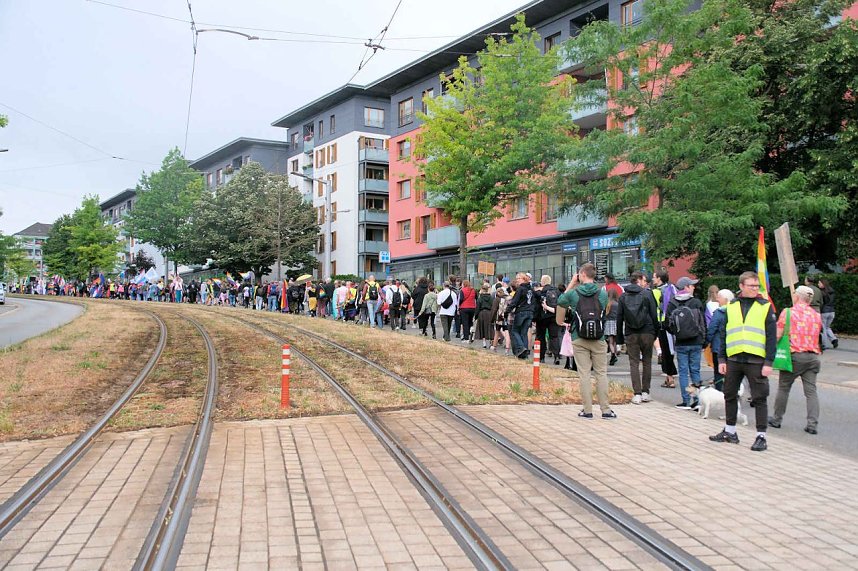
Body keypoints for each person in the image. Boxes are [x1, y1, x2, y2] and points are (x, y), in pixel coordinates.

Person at [710, 271, 778, 451]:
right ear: (741, 286)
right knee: (729, 394)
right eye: (751, 286)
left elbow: (771, 337)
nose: (755, 289)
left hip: (756, 360)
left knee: (759, 398)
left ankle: (761, 436)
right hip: (734, 359)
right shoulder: (731, 306)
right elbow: (724, 333)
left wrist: (769, 362)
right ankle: (730, 431)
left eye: (757, 286)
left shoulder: (765, 306)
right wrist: (722, 358)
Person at [558, 263, 616, 419]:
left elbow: (560, 302)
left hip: (579, 337)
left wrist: (571, 283)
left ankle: (588, 410)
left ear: (582, 274)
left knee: (584, 374)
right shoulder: (602, 294)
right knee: (601, 373)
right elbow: (606, 311)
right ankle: (606, 410)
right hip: (599, 338)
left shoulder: (574, 294)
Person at [768, 285, 823, 435]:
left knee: (784, 387)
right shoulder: (816, 315)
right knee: (811, 391)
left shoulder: (788, 313)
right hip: (812, 356)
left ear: (797, 296)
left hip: (794, 356)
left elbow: (778, 334)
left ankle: (777, 419)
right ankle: (812, 424)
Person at [616, 271, 659, 404]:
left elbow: (619, 318)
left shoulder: (623, 297)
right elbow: (654, 315)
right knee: (647, 362)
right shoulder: (647, 294)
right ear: (639, 280)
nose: (645, 282)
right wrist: (655, 333)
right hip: (647, 332)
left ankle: (637, 393)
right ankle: (646, 392)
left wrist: (619, 338)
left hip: (631, 333)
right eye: (644, 280)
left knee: (633, 363)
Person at [665, 277, 706, 410]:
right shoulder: (696, 302)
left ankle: (686, 401)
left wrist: (677, 333)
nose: (694, 287)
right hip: (696, 342)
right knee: (695, 371)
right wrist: (703, 340)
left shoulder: (672, 303)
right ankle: (698, 400)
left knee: (683, 372)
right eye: (691, 285)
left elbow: (667, 324)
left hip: (681, 342)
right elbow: (703, 323)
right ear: (686, 287)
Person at [704, 289, 734, 391]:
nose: (717, 299)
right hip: (733, 347)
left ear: (725, 299)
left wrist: (706, 342)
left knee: (719, 372)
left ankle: (720, 393)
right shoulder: (736, 312)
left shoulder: (719, 313)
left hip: (718, 347)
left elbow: (712, 329)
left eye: (719, 297)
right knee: (731, 373)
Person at [652, 270, 678, 388]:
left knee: (666, 351)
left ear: (659, 279)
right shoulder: (672, 288)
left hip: (662, 323)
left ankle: (671, 377)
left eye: (654, 277)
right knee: (669, 350)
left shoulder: (657, 292)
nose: (653, 279)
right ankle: (669, 377)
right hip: (671, 323)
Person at [506, 273, 537, 359]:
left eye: (518, 278)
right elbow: (537, 297)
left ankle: (521, 347)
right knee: (524, 333)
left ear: (524, 279)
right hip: (530, 312)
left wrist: (506, 311)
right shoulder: (530, 289)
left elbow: (514, 302)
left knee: (515, 331)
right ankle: (525, 354)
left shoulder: (520, 289)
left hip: (521, 312)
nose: (517, 280)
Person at [534, 275, 562, 365]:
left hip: (542, 317)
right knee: (554, 337)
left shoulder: (539, 292)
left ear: (542, 282)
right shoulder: (557, 291)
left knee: (541, 337)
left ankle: (541, 357)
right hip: (553, 316)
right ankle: (556, 356)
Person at [491, 288, 511, 355]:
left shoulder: (497, 299)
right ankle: (507, 349)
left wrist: (492, 319)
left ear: (497, 293)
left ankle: (494, 346)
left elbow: (494, 310)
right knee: (507, 333)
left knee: (497, 332)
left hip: (498, 318)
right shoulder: (507, 298)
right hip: (506, 317)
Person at [818, 278, 838, 349]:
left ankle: (824, 344)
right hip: (832, 311)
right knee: (827, 327)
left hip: (824, 312)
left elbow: (821, 303)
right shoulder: (831, 291)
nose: (818, 284)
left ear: (823, 284)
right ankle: (834, 339)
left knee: (823, 328)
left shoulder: (821, 292)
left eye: (819, 283)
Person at [603, 288, 621, 366]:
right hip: (616, 323)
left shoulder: (608, 304)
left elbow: (605, 314)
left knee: (610, 341)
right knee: (615, 341)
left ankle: (613, 354)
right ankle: (614, 354)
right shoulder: (618, 304)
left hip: (609, 322)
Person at [474, 283, 494, 348]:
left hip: (482, 313)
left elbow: (477, 307)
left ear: (482, 290)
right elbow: (492, 306)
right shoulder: (491, 298)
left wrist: (476, 316)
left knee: (482, 328)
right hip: (489, 313)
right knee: (490, 327)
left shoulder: (480, 298)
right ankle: (491, 342)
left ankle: (484, 343)